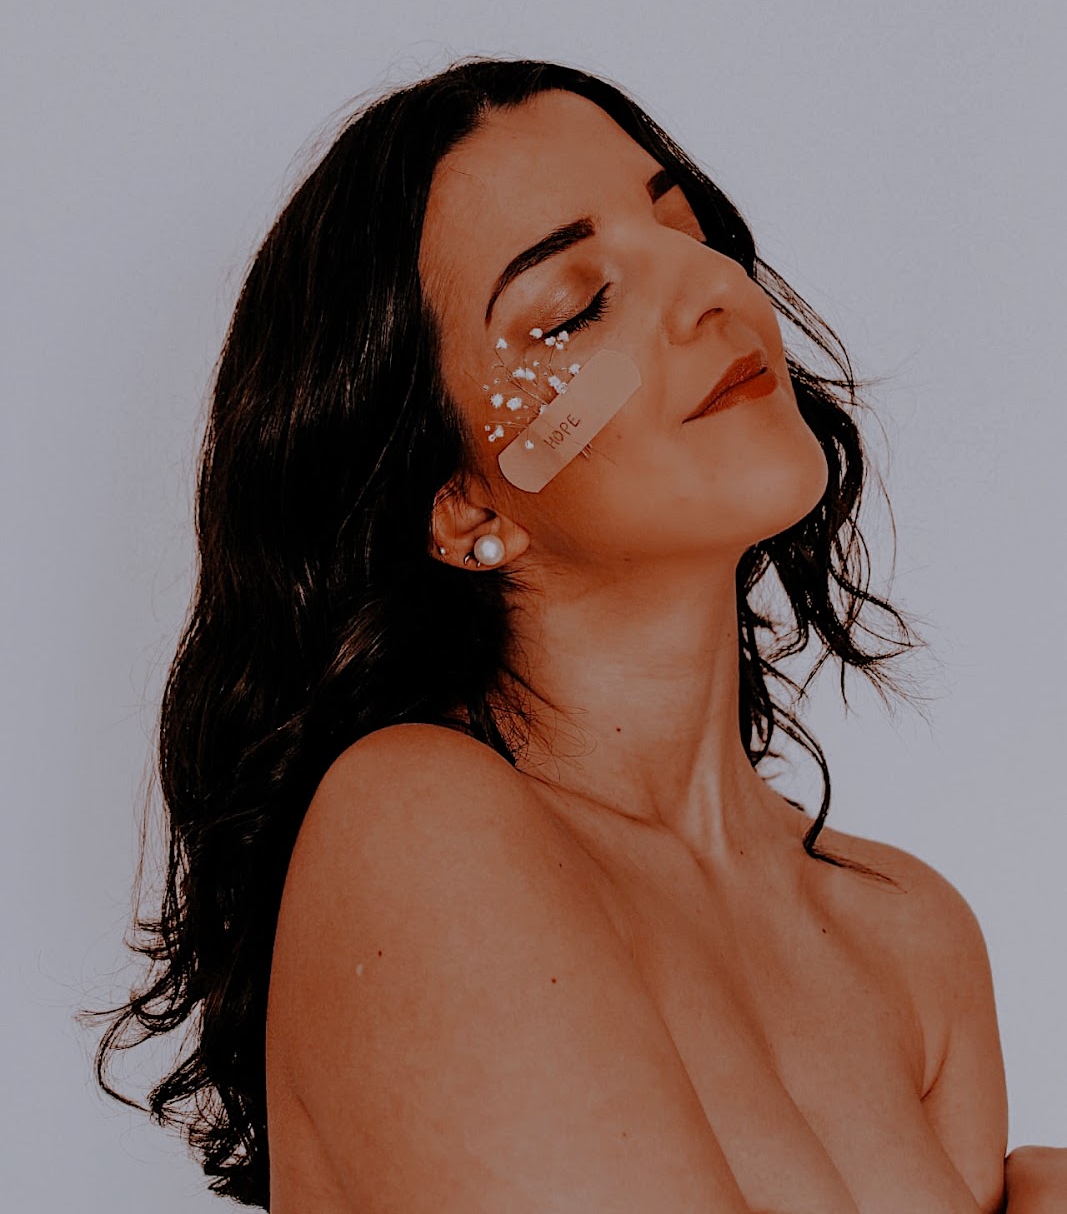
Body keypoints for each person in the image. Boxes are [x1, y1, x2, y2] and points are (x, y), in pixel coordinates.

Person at [89, 59, 1062, 1211]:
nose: (706, 290)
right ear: (463, 504)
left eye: (682, 228)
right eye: (573, 306)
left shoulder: (910, 937)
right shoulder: (411, 827)